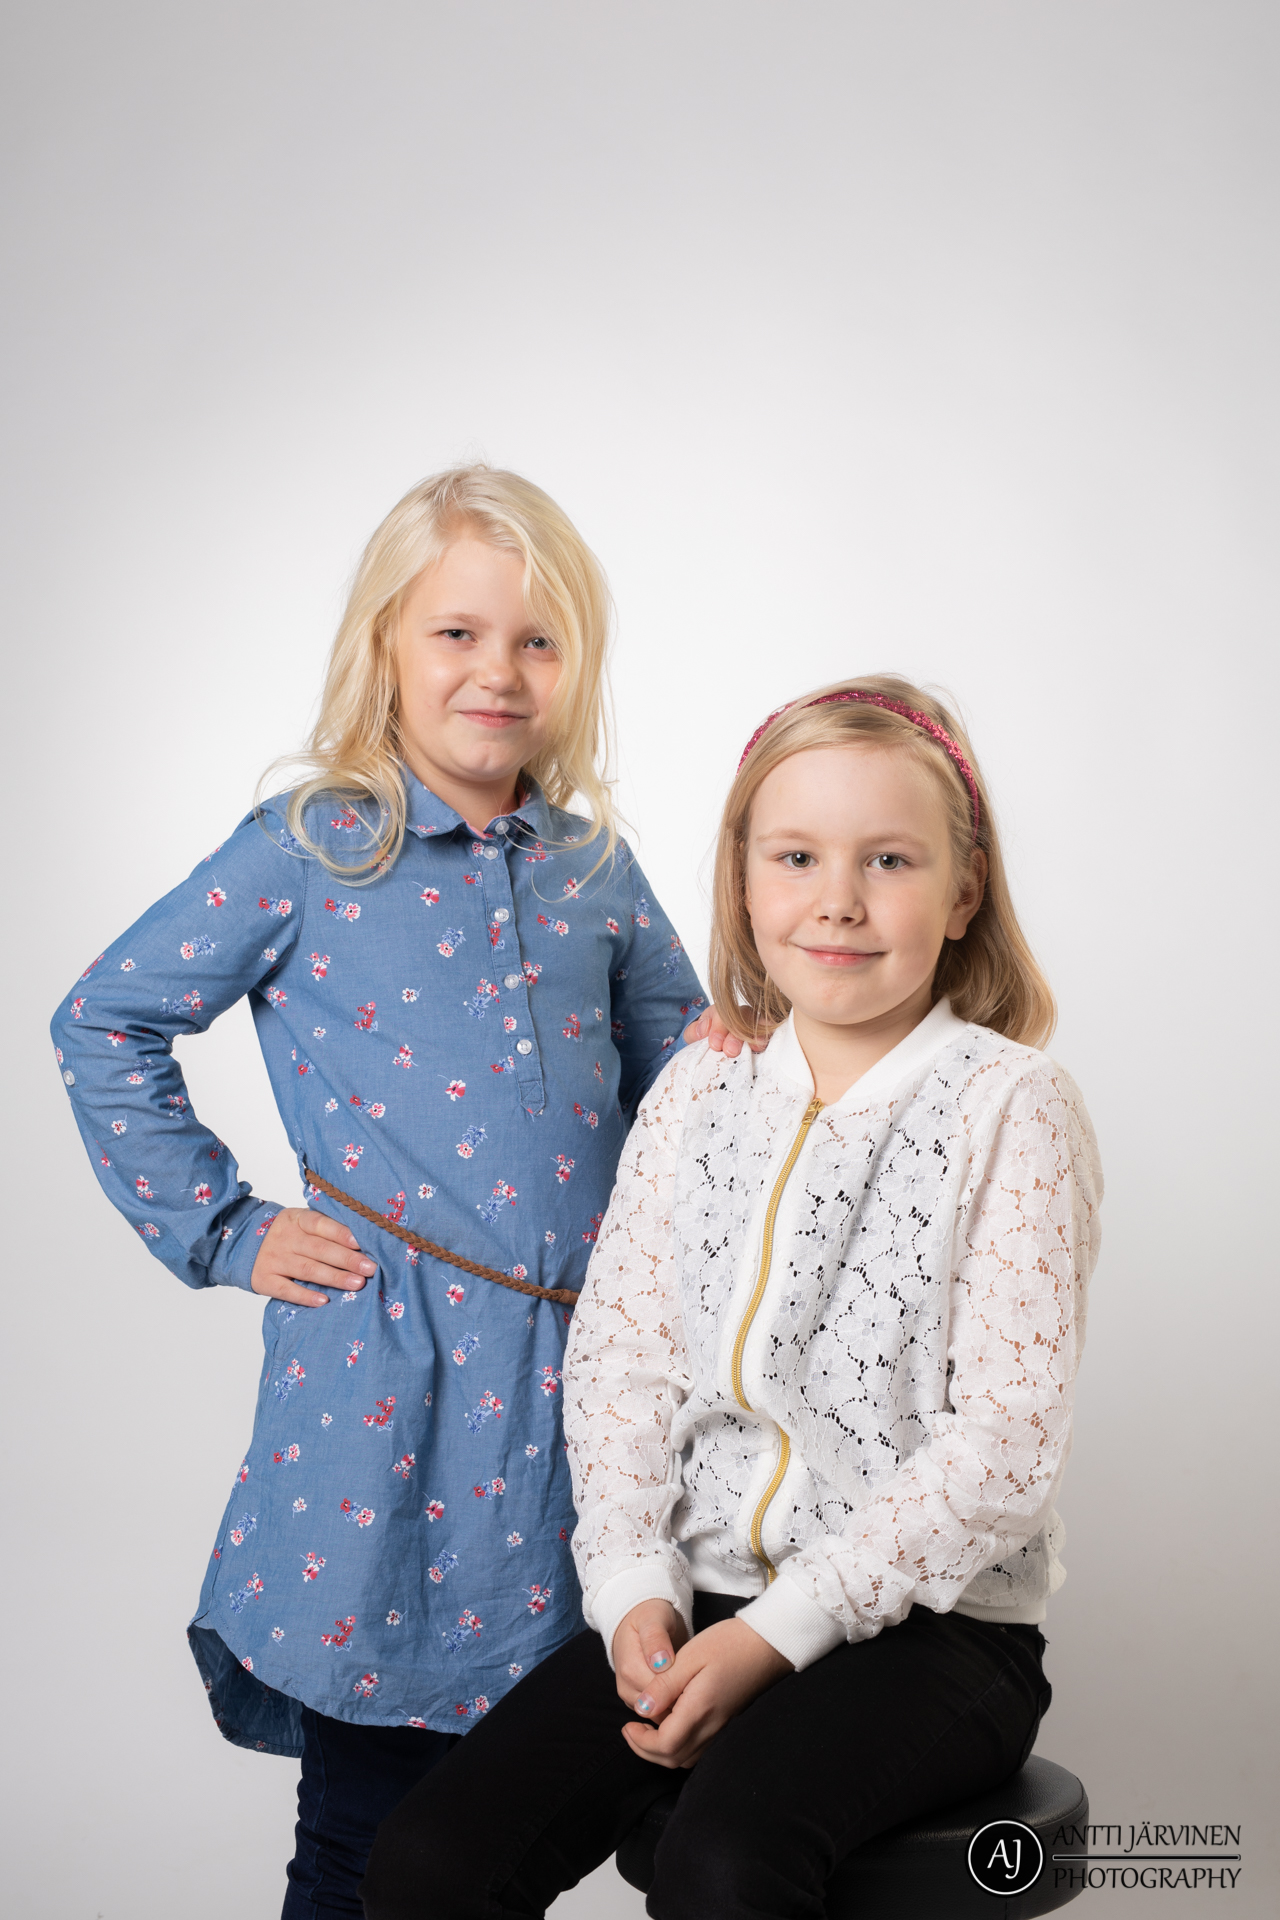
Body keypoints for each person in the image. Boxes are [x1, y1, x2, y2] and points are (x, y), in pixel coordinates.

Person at [48, 465, 737, 1918]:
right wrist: (226, 1230)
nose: (499, 671)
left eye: (538, 642)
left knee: (535, 1805)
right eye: (457, 634)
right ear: (385, 647)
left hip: (586, 1390)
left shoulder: (592, 870)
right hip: (387, 1393)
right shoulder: (309, 850)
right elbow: (104, 1020)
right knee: (368, 1821)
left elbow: (692, 1077)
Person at [361, 673, 1104, 1920]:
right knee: (430, 1859)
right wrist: (632, 1590)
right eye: (795, 856)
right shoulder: (698, 1094)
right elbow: (623, 1365)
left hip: (936, 1629)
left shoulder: (1010, 1107)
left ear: (963, 892)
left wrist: (776, 1634)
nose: (836, 899)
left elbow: (1005, 1447)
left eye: (888, 861)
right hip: (698, 1590)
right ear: (743, 881)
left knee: (721, 1866)